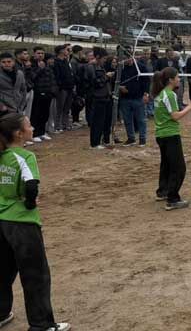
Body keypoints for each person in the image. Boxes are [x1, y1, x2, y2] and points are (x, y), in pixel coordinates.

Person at [0, 113, 72, 331]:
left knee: (3, 270)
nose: (32, 128)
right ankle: (41, 325)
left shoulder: (2, 155)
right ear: (19, 134)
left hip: (2, 219)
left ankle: (1, 313)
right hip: (22, 222)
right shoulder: (24, 156)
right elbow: (31, 185)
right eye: (29, 125)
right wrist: (30, 203)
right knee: (35, 274)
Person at [152, 67, 191, 210]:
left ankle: (163, 191)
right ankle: (173, 199)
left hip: (161, 134)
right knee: (178, 168)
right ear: (170, 80)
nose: (179, 79)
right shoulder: (169, 94)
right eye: (177, 77)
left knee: (166, 164)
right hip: (170, 134)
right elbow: (175, 116)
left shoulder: (160, 93)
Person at [118, 51, 151, 147]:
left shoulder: (141, 67)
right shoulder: (121, 68)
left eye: (126, 58)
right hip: (125, 98)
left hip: (138, 98)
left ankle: (142, 138)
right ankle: (131, 138)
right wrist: (120, 87)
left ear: (131, 57)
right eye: (123, 59)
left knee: (141, 119)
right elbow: (116, 81)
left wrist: (146, 94)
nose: (125, 60)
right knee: (127, 120)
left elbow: (147, 81)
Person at [87, 48, 114, 150]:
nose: (105, 60)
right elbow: (95, 82)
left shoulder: (100, 66)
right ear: (98, 57)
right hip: (97, 98)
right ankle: (95, 143)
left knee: (105, 121)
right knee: (97, 122)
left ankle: (104, 140)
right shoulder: (91, 67)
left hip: (105, 97)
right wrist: (106, 77)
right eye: (104, 58)